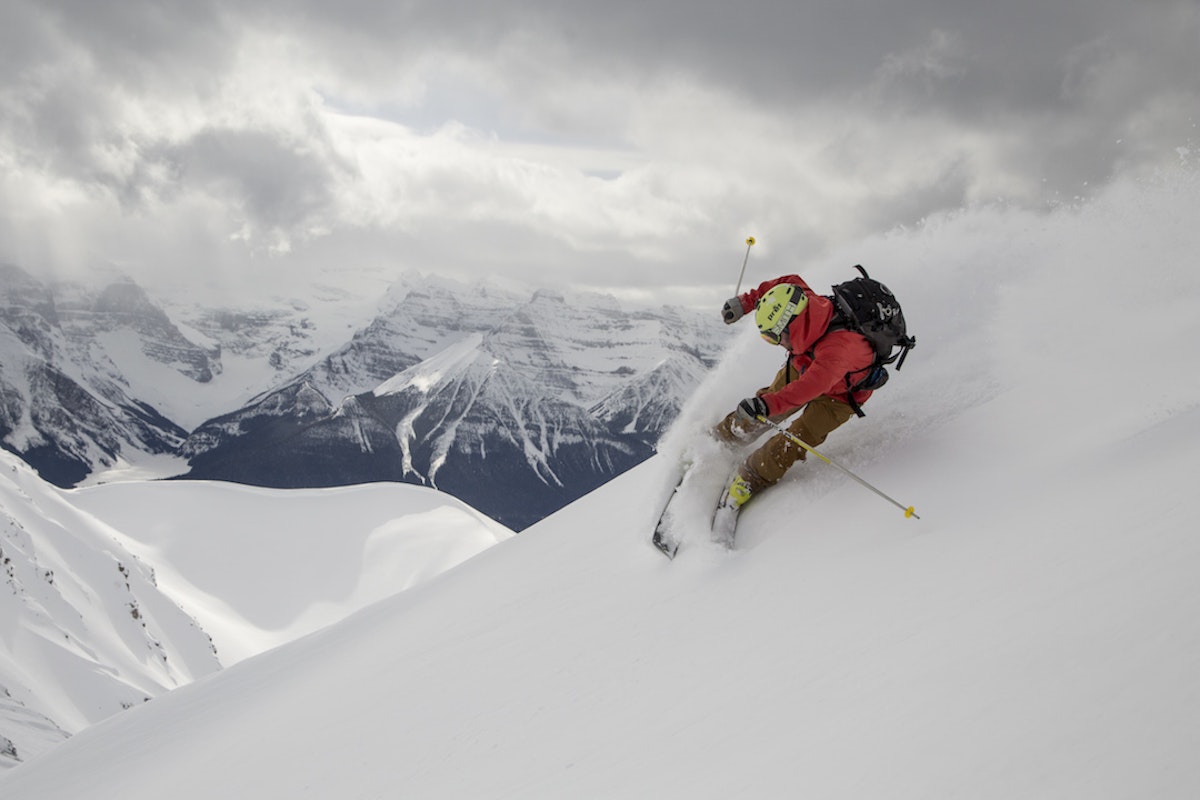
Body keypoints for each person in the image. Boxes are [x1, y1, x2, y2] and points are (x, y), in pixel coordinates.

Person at [712, 274, 876, 517]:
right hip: (805, 362)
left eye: (774, 337)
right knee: (765, 404)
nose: (776, 343)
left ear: (792, 327)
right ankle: (724, 437)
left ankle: (750, 478)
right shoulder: (802, 301)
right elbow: (787, 282)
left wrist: (765, 406)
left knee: (796, 438)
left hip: (842, 396)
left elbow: (804, 390)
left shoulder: (838, 349)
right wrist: (746, 302)